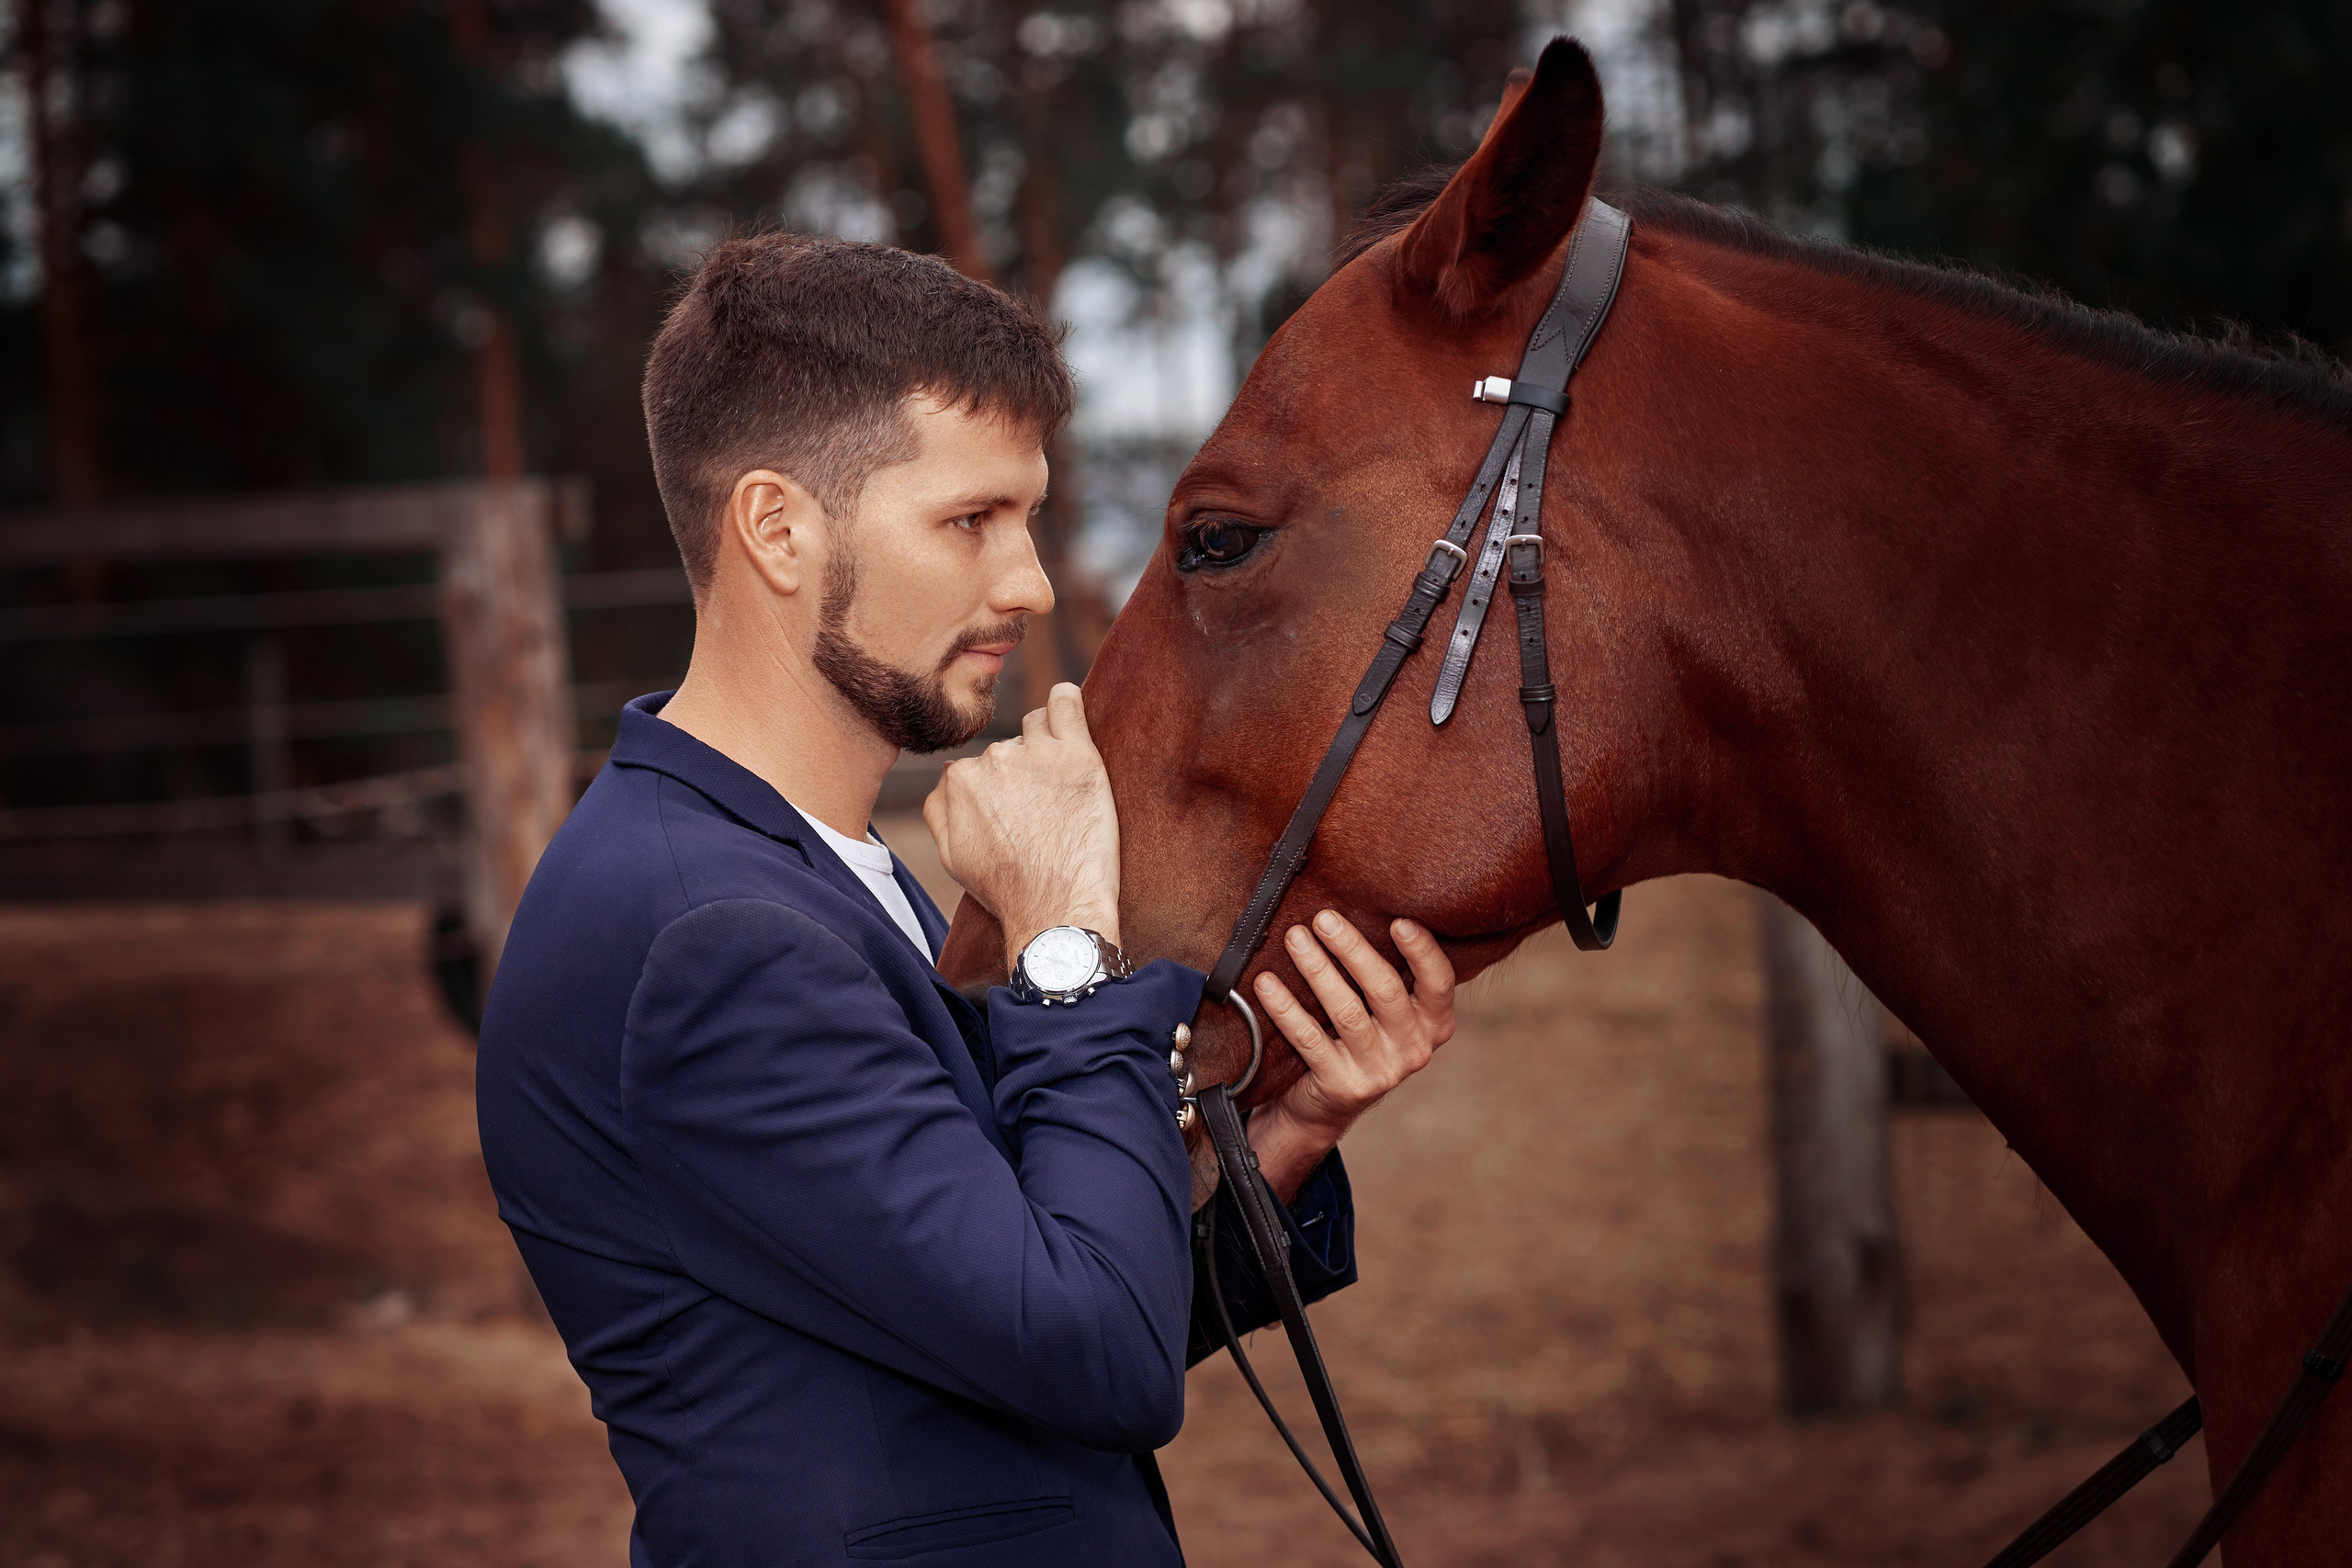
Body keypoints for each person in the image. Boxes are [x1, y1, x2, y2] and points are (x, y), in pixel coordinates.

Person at [475, 232, 1456, 1568]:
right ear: (777, 527)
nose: (1031, 584)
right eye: (971, 521)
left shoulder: (798, 872)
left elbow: (1040, 1307)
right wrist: (1061, 935)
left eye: (1030, 517)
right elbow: (1094, 1354)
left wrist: (1292, 1125)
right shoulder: (714, 937)